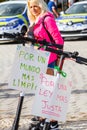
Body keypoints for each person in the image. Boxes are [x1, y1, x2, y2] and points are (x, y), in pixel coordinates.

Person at [27, 0, 64, 129]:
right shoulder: (35, 20)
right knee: (42, 91)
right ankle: (43, 118)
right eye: (31, 7)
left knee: (48, 91)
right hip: (38, 59)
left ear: (41, 6)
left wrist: (58, 55)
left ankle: (53, 122)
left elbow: (58, 40)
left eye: (35, 6)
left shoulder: (47, 19)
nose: (33, 9)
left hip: (48, 59)